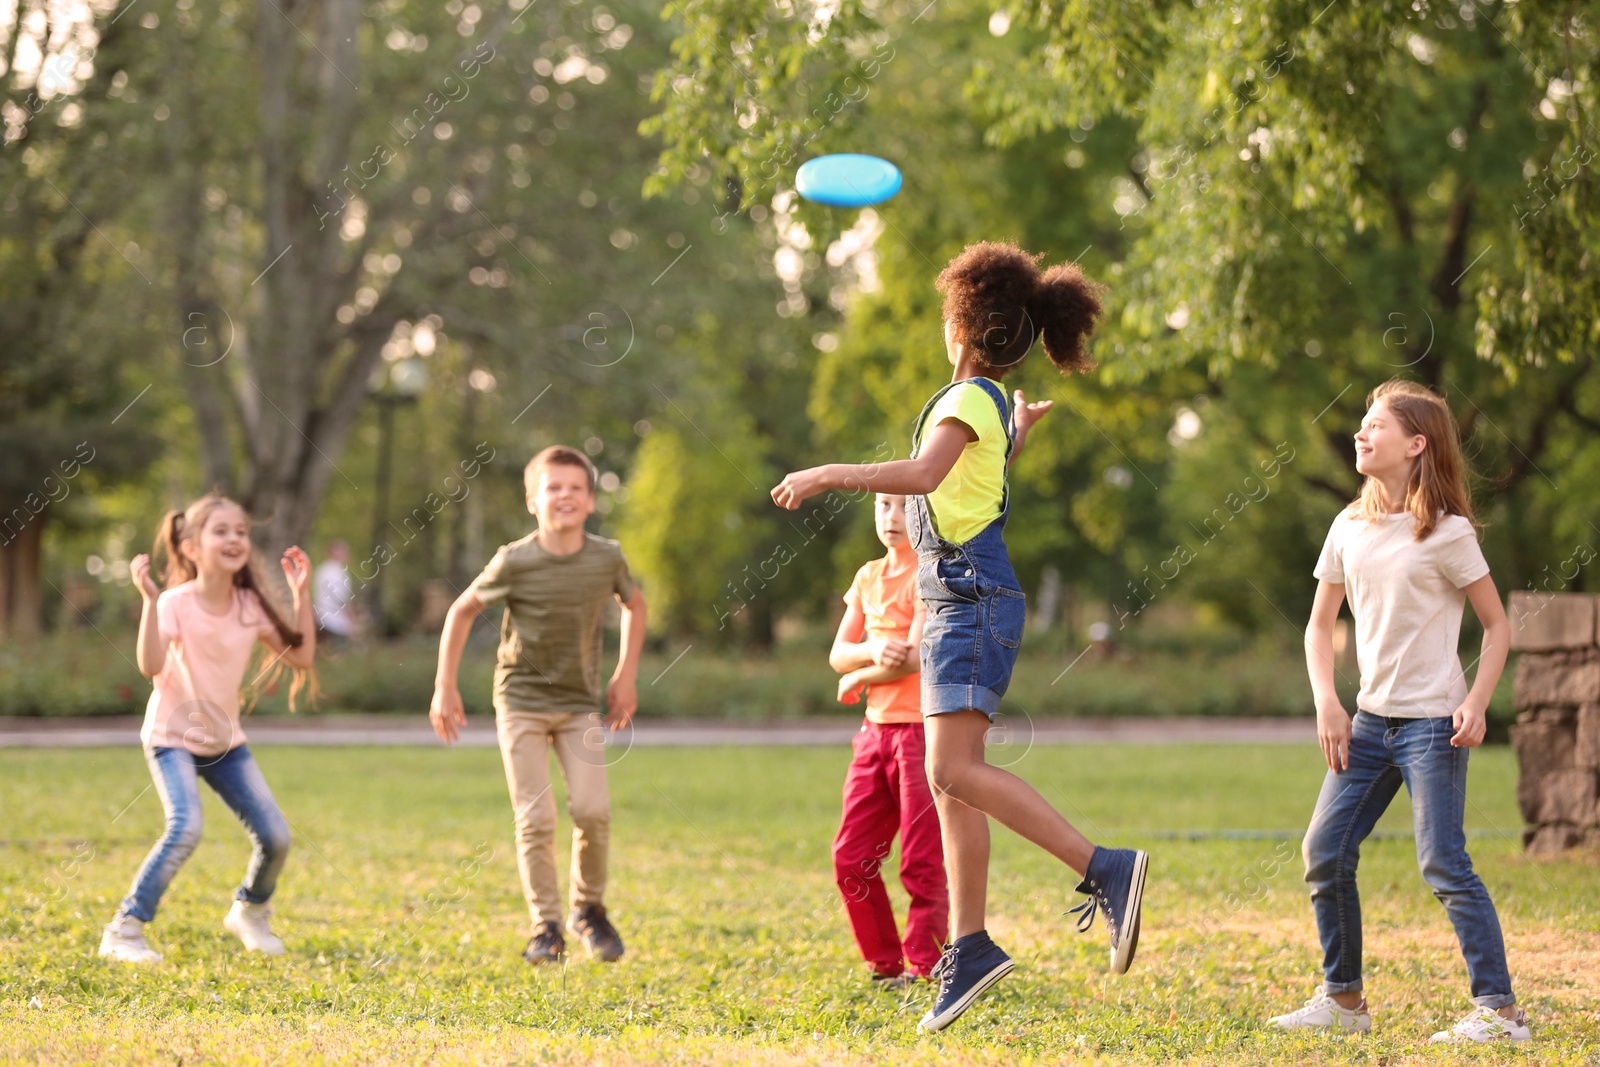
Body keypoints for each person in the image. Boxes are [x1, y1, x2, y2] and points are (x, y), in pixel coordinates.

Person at [772, 242, 1148, 1032]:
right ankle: (970, 944)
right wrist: (1021, 435)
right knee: (948, 781)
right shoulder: (985, 404)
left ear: (965, 330)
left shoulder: (968, 399)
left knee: (951, 767)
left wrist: (826, 473)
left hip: (968, 596)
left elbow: (923, 477)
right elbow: (975, 481)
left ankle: (1104, 867)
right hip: (961, 591)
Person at [1268, 380, 1529, 1044]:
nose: (1361, 433)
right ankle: (1345, 1000)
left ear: (1417, 443)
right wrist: (1328, 700)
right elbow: (1317, 623)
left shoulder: (1448, 532)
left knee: (1442, 859)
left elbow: (1497, 627)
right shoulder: (1348, 525)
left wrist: (1476, 701)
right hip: (1367, 723)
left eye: (1375, 424)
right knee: (1324, 850)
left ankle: (1499, 1011)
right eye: (1361, 423)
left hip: (1432, 725)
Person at [429, 445, 647, 965]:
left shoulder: (606, 557)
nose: (564, 496)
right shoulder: (515, 559)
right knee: (536, 818)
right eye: (553, 487)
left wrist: (625, 675)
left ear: (592, 500)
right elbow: (461, 611)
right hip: (521, 701)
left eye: (575, 488)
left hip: (578, 704)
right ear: (533, 500)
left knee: (592, 811)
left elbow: (635, 606)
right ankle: (546, 927)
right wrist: (445, 684)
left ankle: (588, 911)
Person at [99, 494, 316, 963]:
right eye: (221, 531)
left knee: (277, 837)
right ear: (192, 547)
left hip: (226, 743)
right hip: (171, 738)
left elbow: (301, 657)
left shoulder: (249, 605)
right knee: (185, 828)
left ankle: (249, 912)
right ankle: (124, 930)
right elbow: (150, 665)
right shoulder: (175, 603)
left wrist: (301, 595)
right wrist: (150, 602)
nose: (235, 538)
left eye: (241, 531)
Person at [830, 493, 946, 987]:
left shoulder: (929, 573)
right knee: (851, 857)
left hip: (921, 734)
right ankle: (885, 965)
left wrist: (857, 679)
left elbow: (914, 657)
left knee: (922, 862)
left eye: (904, 506)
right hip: (873, 735)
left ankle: (925, 967)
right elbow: (838, 652)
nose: (892, 517)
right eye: (883, 505)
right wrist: (869, 651)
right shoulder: (867, 576)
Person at [312, 539, 359, 642]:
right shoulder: (337, 572)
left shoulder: (322, 569)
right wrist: (351, 617)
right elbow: (339, 599)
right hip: (334, 621)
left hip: (320, 617)